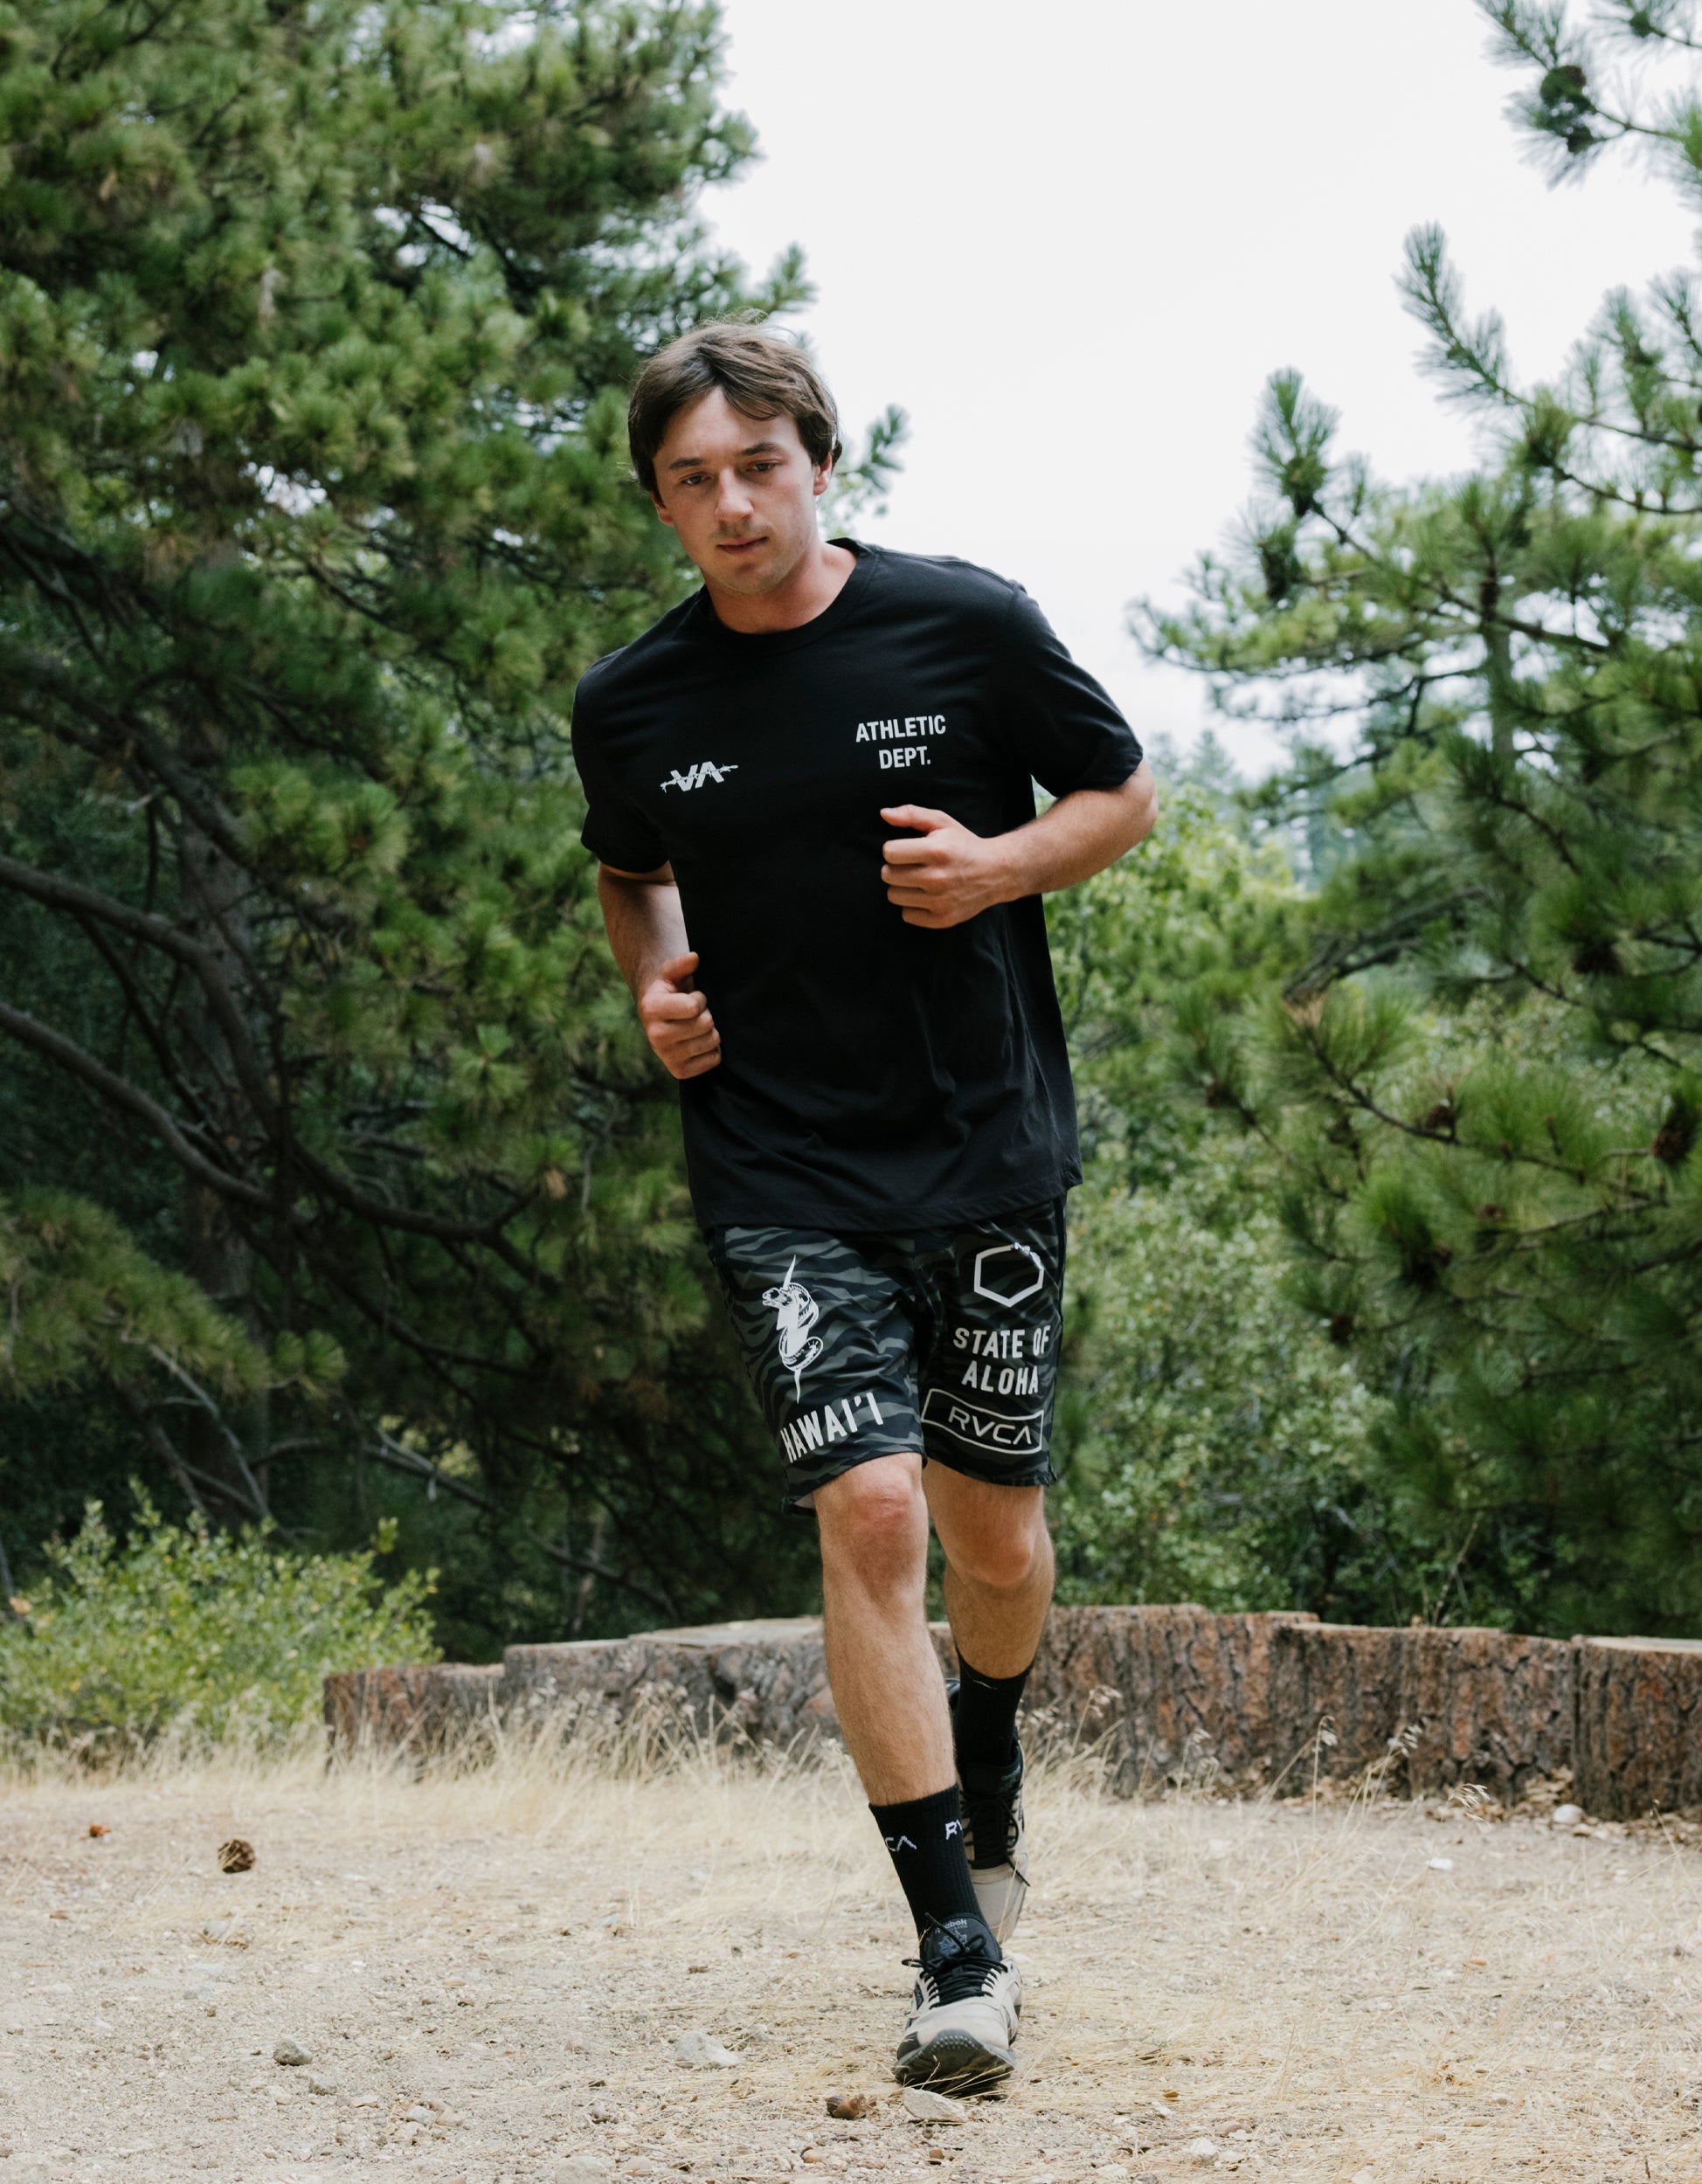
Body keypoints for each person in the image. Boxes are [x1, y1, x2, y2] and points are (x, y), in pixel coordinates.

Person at [571, 322, 1155, 2091]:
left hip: (982, 1148)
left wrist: (996, 865)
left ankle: (995, 1735)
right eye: (693, 480)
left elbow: (1121, 793)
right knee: (874, 1510)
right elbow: (631, 870)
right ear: (660, 502)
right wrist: (657, 983)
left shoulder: (963, 625)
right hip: (779, 1166)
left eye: (759, 466)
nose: (732, 505)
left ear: (819, 461)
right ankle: (955, 1952)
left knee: (994, 1540)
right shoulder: (634, 701)